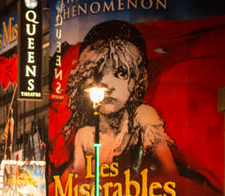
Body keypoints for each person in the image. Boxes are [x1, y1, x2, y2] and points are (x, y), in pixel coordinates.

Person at [66, 19, 177, 185]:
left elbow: (170, 175)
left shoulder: (143, 118)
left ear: (139, 81)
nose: (107, 83)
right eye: (97, 73)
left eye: (121, 72)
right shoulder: (84, 136)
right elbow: (77, 183)